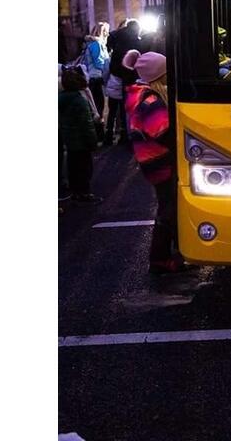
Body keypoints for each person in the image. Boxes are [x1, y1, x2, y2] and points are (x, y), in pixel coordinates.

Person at [122, 49, 184, 274]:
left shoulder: (139, 95)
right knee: (168, 209)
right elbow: (162, 132)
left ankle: (173, 253)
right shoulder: (150, 100)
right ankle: (160, 259)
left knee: (168, 206)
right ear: (159, 76)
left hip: (151, 161)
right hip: (159, 161)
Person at [59, 65, 102, 205]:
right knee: (84, 169)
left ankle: (76, 193)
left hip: (70, 140)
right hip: (82, 141)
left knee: (73, 167)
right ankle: (84, 194)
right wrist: (93, 141)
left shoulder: (61, 98)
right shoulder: (79, 101)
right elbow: (87, 125)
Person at [82, 22, 110, 123]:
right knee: (98, 107)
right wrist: (108, 67)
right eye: (107, 32)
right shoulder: (97, 44)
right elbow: (99, 62)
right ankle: (99, 132)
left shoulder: (92, 44)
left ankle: (98, 131)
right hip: (96, 78)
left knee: (96, 106)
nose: (108, 34)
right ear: (103, 32)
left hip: (94, 77)